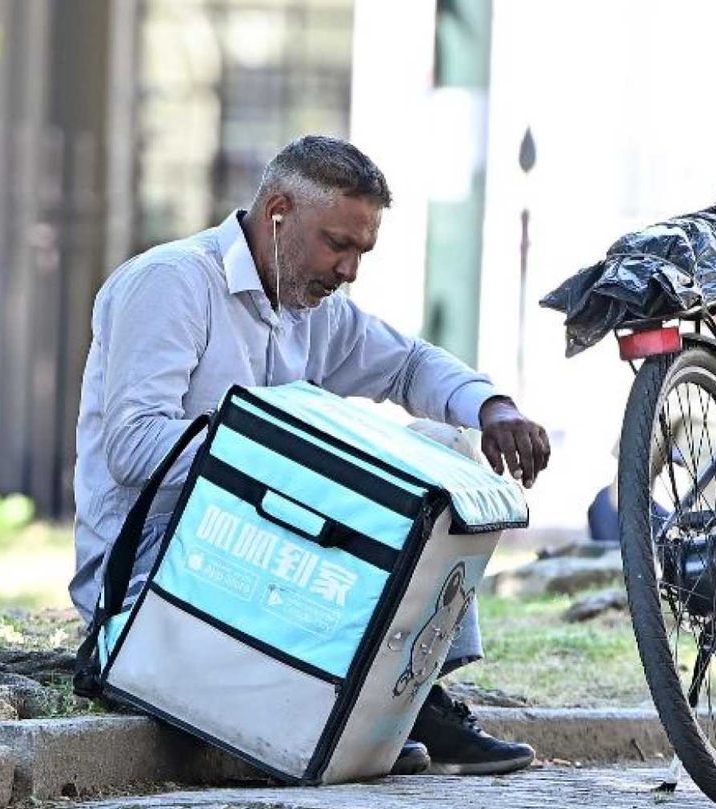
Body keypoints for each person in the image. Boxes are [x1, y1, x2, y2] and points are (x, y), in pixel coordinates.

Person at [71, 135, 551, 776]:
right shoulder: (172, 283)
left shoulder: (310, 306)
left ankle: (411, 692)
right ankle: (380, 706)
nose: (349, 270)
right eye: (338, 244)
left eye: (362, 251)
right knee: (350, 482)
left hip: (260, 544)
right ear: (277, 213)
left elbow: (407, 365)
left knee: (444, 451)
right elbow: (132, 449)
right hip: (154, 561)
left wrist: (494, 408)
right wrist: (295, 461)